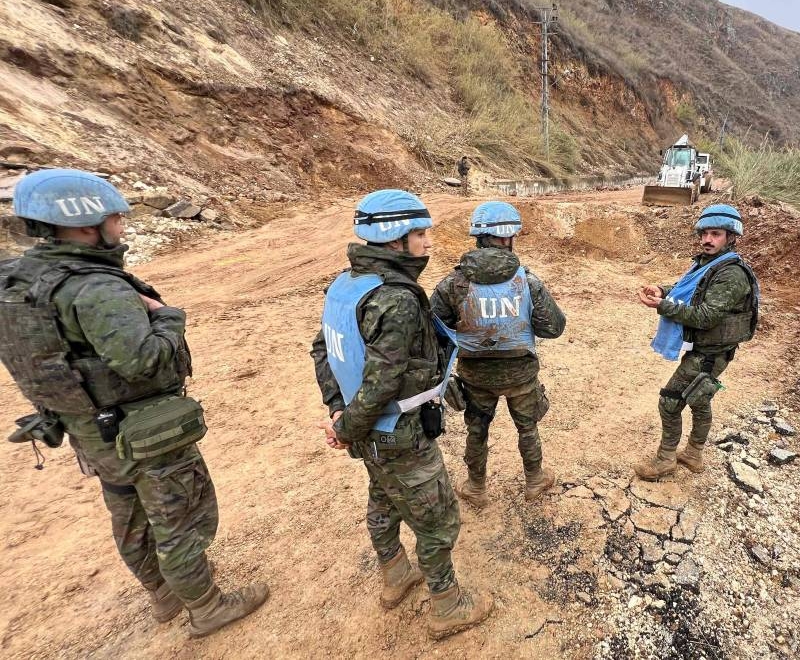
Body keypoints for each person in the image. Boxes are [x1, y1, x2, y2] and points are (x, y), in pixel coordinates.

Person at [0, 169, 268, 637]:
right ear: (86, 225)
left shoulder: (20, 279)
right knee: (177, 513)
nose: (122, 226)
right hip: (139, 425)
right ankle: (206, 608)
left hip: (85, 422)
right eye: (115, 218)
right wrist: (168, 318)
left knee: (127, 507)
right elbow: (143, 362)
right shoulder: (95, 287)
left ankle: (163, 596)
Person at [310, 189, 492, 639]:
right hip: (398, 432)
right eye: (421, 232)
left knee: (383, 496)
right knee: (436, 516)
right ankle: (447, 606)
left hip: (369, 435)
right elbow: (383, 383)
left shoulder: (346, 285)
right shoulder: (397, 298)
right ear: (395, 238)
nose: (429, 240)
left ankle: (396, 577)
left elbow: (324, 350)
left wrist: (339, 413)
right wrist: (347, 428)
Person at [431, 201, 566, 506]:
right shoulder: (527, 282)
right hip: (521, 376)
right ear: (507, 238)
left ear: (478, 237)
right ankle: (534, 481)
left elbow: (433, 332)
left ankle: (476, 487)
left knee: (476, 429)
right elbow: (553, 328)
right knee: (527, 427)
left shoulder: (453, 284)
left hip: (475, 377)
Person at [634, 204, 760, 481]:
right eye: (704, 233)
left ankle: (666, 459)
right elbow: (693, 289)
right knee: (699, 401)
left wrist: (662, 305)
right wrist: (664, 291)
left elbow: (705, 316)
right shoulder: (707, 264)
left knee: (670, 401)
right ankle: (693, 454)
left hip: (710, 354)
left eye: (715, 234)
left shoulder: (731, 274)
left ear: (731, 237)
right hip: (705, 349)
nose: (707, 239)